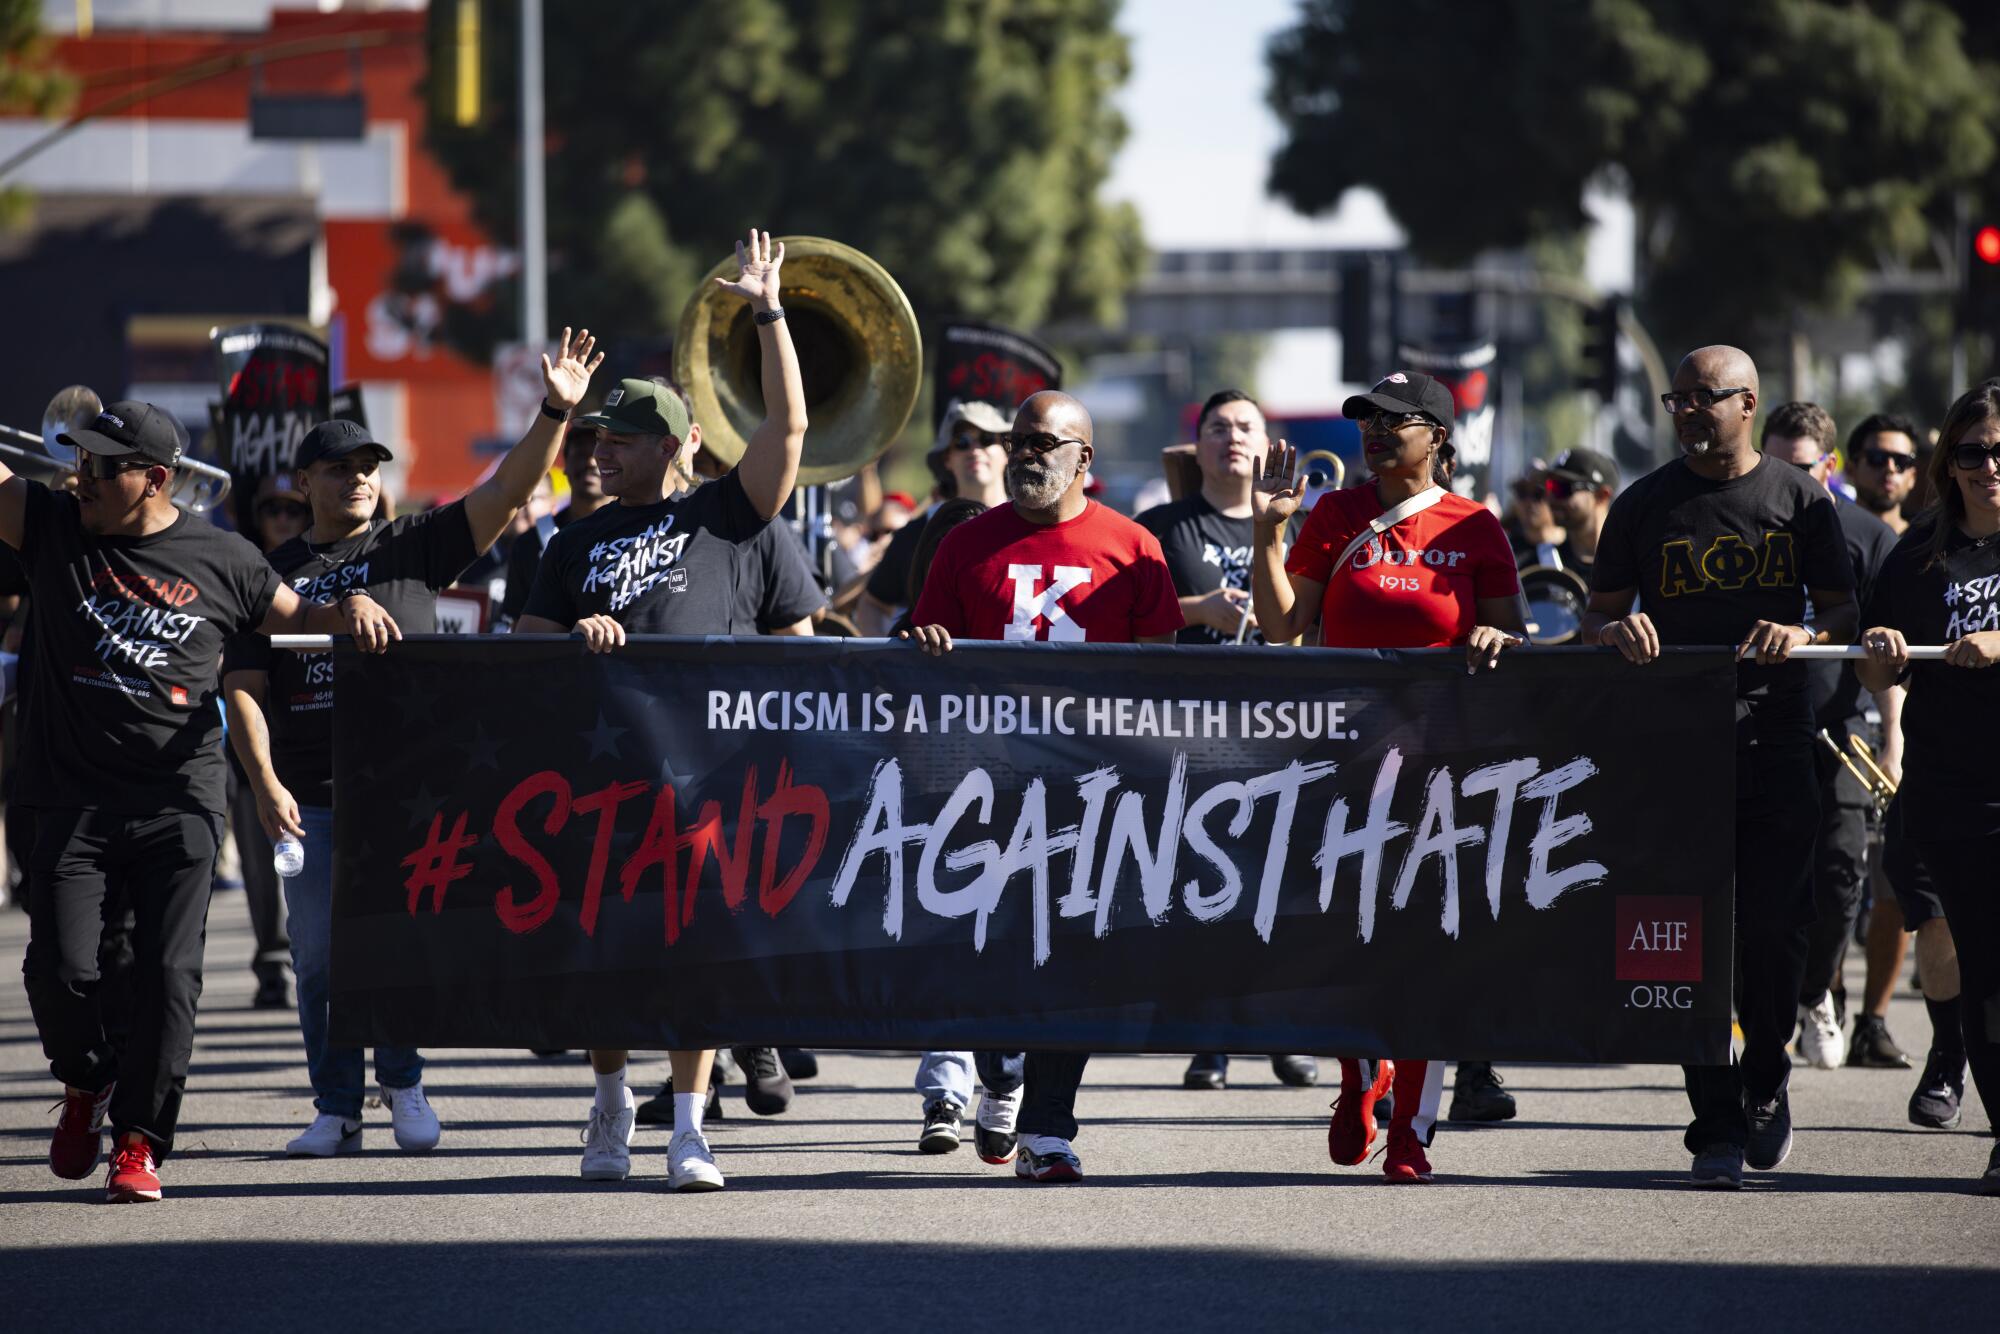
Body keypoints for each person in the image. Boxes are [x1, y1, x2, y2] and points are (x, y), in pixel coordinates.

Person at [223, 327, 605, 1160]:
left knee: (395, 947)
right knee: (319, 962)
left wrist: (553, 412)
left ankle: (400, 1082)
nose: (358, 479)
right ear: (304, 481)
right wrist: (260, 782)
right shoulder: (268, 571)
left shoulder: (409, 547)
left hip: (407, 793)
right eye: (339, 468)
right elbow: (243, 689)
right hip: (311, 795)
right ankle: (335, 1107)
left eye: (369, 467)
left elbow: (508, 490)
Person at [9, 399, 398, 1203]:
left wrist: (348, 609)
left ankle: (141, 1144)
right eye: (78, 461)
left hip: (178, 802)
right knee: (59, 971)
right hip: (69, 799)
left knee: (168, 974)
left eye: (99, 466)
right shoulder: (53, 528)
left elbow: (297, 618)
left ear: (153, 479)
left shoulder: (225, 557)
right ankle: (88, 1082)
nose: (78, 476)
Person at [514, 229, 805, 1193]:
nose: (604, 452)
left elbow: (789, 432)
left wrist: (766, 312)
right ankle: (609, 1101)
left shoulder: (725, 514)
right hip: (603, 779)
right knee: (605, 960)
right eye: (598, 438)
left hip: (712, 776)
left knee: (703, 953)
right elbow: (521, 653)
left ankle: (688, 1128)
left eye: (624, 437)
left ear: (676, 442)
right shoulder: (572, 540)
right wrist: (574, 639)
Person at [1579, 346, 1857, 1190]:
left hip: (1777, 739)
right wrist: (1616, 633)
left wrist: (1801, 633)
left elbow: (1843, 612)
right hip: (1674, 752)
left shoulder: (1801, 500)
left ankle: (1766, 1068)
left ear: (1750, 403)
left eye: (1708, 398)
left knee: (1774, 931)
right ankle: (1715, 1124)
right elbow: (1597, 617)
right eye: (1679, 399)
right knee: (1682, 941)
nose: (1692, 412)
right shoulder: (1644, 504)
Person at [902, 390, 1184, 1182]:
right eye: (1018, 440)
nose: (1024, 453)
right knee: (987, 959)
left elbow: (1165, 679)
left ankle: (1050, 1130)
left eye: (1041, 442)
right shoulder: (965, 544)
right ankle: (998, 1073)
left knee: (1074, 963)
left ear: (1083, 459)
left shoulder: (1134, 549)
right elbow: (923, 649)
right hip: (982, 793)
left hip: (1092, 799)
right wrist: (927, 644)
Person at [1251, 370, 1525, 1183]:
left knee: (1425, 952)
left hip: (1442, 774)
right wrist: (1271, 533)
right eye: (1365, 421)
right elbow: (1281, 630)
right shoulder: (1335, 515)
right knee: (1344, 943)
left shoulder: (1477, 527)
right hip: (1340, 770)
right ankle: (1355, 1077)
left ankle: (1410, 1127)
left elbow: (1516, 641)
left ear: (1436, 436)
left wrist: (1496, 643)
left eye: (1393, 421)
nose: (1373, 433)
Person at [1133, 388, 1317, 1092]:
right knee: (1204, 890)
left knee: (1282, 889)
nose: (1232, 437)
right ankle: (1209, 1038)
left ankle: (1280, 1031)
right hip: (1186, 736)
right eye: (1217, 427)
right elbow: (1124, 615)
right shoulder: (1160, 527)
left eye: (1246, 427)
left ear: (1268, 444)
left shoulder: (1297, 526)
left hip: (1281, 735)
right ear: (1198, 445)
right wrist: (1196, 609)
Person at [1857, 379, 2000, 1195]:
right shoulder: (1917, 553)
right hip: (1953, 792)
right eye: (1975, 452)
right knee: (1982, 970)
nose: (1989, 467)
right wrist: (1881, 649)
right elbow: (1883, 665)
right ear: (1949, 462)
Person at [1758, 403, 1900, 1071]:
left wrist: (1895, 740)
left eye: (1805, 469)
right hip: (1755, 728)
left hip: (1842, 732)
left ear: (1831, 466)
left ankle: (1817, 992)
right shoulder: (1744, 523)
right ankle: (1766, 1008)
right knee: (1763, 881)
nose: (1791, 482)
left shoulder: (1867, 535)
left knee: (1841, 877)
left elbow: (1891, 655)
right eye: (1779, 467)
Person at [1838, 412, 1926, 1067]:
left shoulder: (1930, 544)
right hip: (1839, 726)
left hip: (1915, 734)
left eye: (1901, 460)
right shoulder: (1827, 535)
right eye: (1876, 458)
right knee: (1835, 880)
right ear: (1852, 464)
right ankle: (1826, 997)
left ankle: (1872, 1020)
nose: (1888, 470)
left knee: (1894, 885)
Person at [233, 474, 312, 1008]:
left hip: (310, 750)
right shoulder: (236, 569)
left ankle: (309, 962)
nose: (282, 519)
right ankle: (270, 962)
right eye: (272, 510)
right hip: (250, 749)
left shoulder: (313, 571)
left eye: (293, 510)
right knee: (261, 869)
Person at [854, 399, 1011, 635]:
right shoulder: (920, 532)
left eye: (987, 439)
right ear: (947, 458)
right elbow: (872, 604)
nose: (975, 450)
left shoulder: (1028, 525)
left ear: (1006, 451)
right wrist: (886, 661)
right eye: (962, 442)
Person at [496, 422, 615, 630]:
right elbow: (517, 631)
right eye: (580, 453)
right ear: (565, 466)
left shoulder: (637, 533)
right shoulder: (529, 544)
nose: (590, 462)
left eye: (598, 452)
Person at [1541, 447, 1620, 584]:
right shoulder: (1540, 564)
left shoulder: (1630, 565)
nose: (1551, 498)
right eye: (1550, 486)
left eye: (1562, 488)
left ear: (1601, 496)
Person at [1846, 412, 1922, 535]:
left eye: (1901, 461)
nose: (1890, 468)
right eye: (1877, 457)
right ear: (1850, 469)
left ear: (1912, 477)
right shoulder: (1829, 538)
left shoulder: (1927, 545)